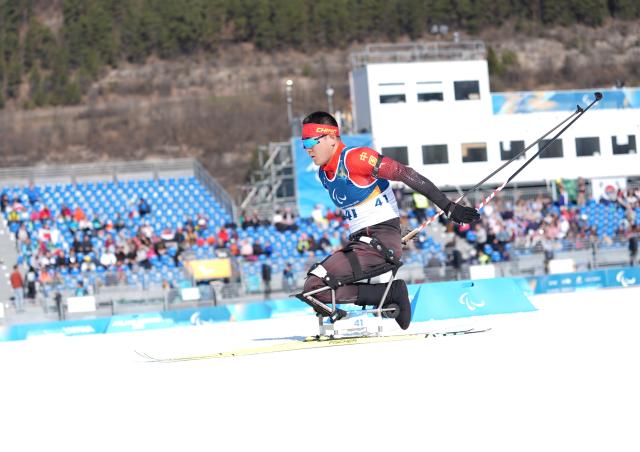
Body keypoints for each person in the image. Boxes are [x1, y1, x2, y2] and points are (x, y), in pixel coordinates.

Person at [296, 111, 479, 330]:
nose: (307, 148)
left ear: (331, 138)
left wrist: (448, 206)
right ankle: (385, 297)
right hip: (362, 241)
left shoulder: (356, 158)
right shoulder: (325, 174)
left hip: (377, 241)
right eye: (303, 142)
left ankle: (390, 295)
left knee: (314, 286)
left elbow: (404, 173)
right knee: (314, 289)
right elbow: (371, 206)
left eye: (310, 141)